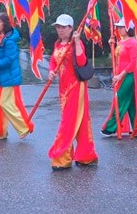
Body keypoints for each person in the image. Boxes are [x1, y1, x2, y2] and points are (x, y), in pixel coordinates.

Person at [48, 14, 98, 171]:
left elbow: (82, 61)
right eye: (58, 27)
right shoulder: (58, 44)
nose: (60, 30)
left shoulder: (77, 43)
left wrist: (76, 43)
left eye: (63, 27)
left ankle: (61, 157)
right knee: (80, 122)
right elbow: (53, 61)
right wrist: (51, 71)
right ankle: (86, 156)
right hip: (63, 89)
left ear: (71, 28)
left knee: (68, 122)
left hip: (76, 87)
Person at [0, 12, 33, 140]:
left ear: (5, 23)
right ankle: (2, 131)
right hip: (2, 76)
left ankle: (23, 127)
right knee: (2, 104)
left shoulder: (9, 40)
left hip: (9, 76)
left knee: (5, 103)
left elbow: (9, 59)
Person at [100, 21, 137, 138]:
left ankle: (111, 127)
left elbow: (133, 63)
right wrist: (111, 45)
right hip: (120, 76)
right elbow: (118, 59)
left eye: (122, 27)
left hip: (129, 76)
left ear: (128, 28)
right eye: (118, 27)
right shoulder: (120, 42)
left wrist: (120, 75)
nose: (120, 29)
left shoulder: (133, 43)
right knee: (132, 104)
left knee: (119, 99)